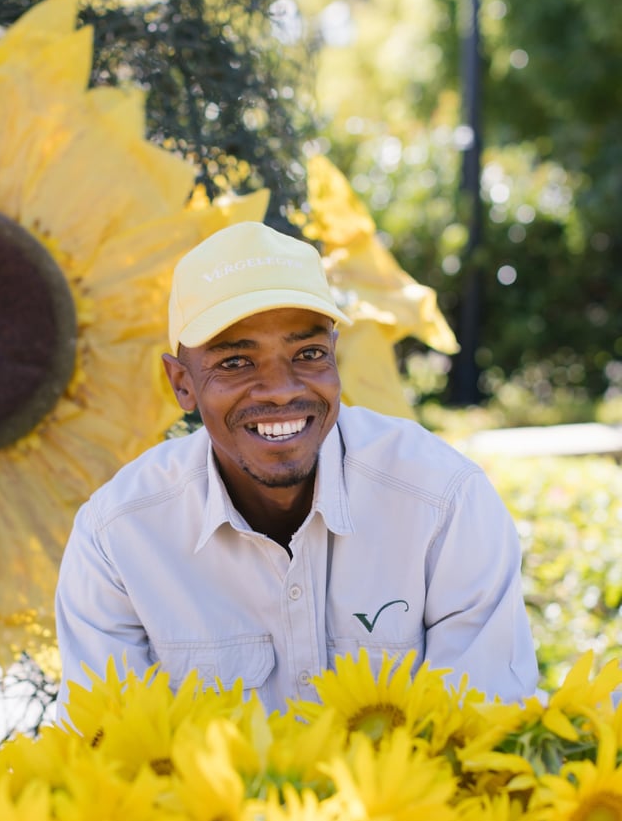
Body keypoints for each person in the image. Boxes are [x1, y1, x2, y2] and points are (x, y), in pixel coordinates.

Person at [55, 221, 539, 721]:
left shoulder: (442, 502)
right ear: (182, 383)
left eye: (308, 354)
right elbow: (110, 756)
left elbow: (483, 733)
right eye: (236, 362)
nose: (282, 390)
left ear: (335, 359)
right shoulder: (118, 538)